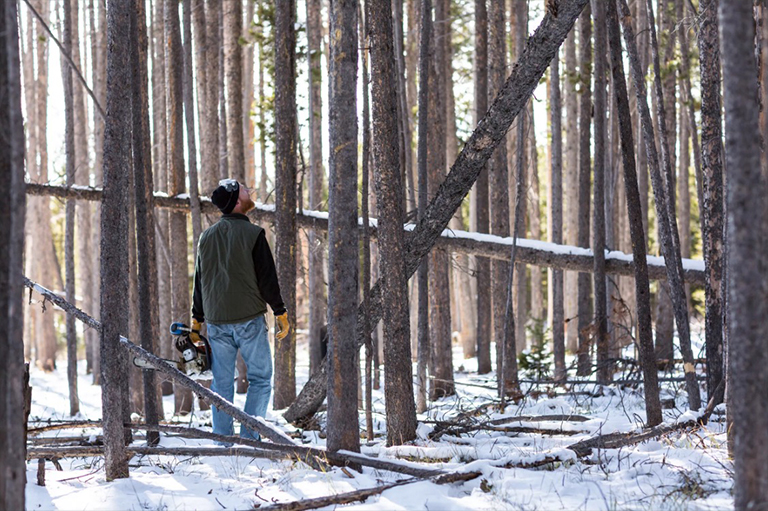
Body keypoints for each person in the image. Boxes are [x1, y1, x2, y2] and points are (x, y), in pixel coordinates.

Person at [191, 178, 290, 440]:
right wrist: (280, 312)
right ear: (237, 202)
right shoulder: (254, 234)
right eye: (245, 190)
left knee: (221, 384)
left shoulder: (206, 237)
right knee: (259, 378)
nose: (249, 192)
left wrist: (196, 319)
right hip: (248, 320)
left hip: (216, 322)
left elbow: (199, 280)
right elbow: (267, 278)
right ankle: (249, 438)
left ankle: (223, 440)